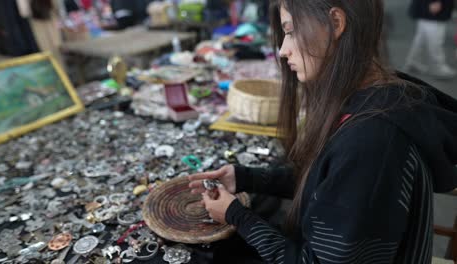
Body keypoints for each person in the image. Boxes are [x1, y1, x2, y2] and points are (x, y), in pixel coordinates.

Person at [188, 0, 457, 263]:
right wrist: (245, 177)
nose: (282, 50)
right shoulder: (373, 96)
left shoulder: (372, 141)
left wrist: (236, 215)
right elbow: (327, 184)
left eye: (290, 31)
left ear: (335, 23)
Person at [404, 0, 456, 79]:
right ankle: (437, 67)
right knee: (434, 38)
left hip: (427, 9)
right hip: (433, 9)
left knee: (421, 38)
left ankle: (413, 62)